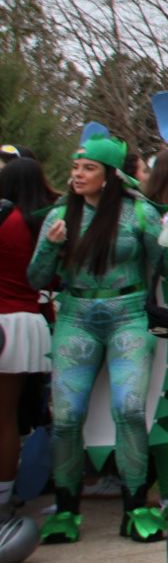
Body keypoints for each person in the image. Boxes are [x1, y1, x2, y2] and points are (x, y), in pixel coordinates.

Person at [27, 135, 168, 544]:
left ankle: (137, 507)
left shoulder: (139, 213)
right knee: (67, 416)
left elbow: (160, 264)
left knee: (128, 408)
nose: (77, 174)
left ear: (109, 176)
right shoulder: (60, 214)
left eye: (88, 167)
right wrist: (51, 249)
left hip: (128, 314)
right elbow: (36, 278)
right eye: (76, 166)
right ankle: (67, 511)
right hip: (76, 316)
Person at [0, 160, 52, 513]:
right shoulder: (42, 222)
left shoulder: (8, 221)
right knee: (10, 416)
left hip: (5, 320)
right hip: (29, 321)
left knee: (3, 417)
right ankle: (6, 495)